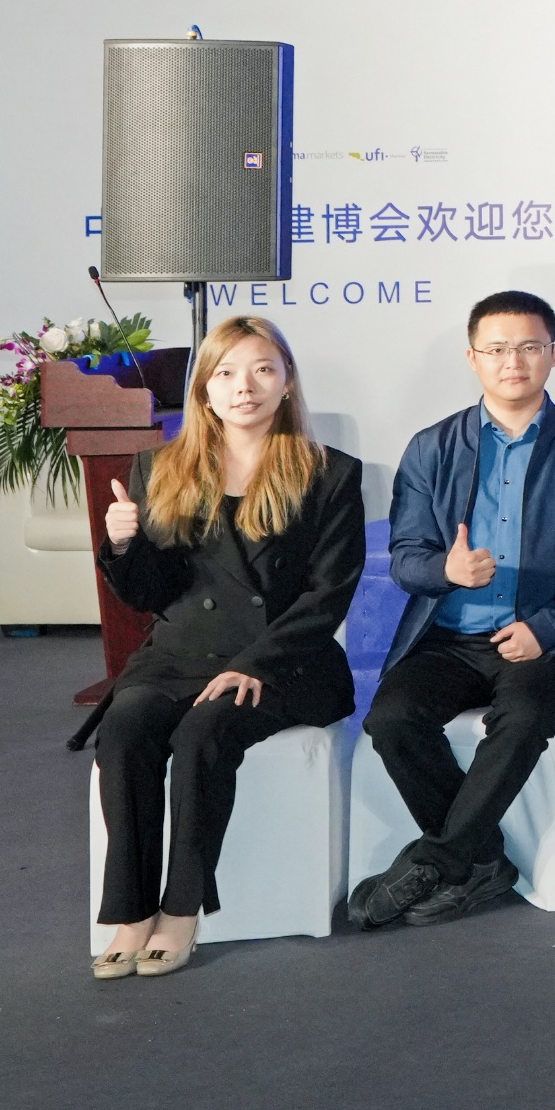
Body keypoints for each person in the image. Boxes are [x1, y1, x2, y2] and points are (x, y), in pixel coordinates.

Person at [84, 318, 362, 979]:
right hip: (178, 653)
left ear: (287, 382)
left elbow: (328, 596)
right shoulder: (160, 467)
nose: (245, 387)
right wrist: (123, 542)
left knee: (204, 732)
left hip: (285, 660)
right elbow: (150, 594)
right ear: (204, 390)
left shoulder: (328, 472)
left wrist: (253, 665)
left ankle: (182, 910)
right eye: (227, 373)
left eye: (263, 369)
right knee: (124, 729)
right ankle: (129, 913)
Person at [357, 290, 555, 930]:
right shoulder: (432, 446)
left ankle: (437, 860)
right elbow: (405, 558)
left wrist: (547, 627)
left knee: (525, 714)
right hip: (448, 639)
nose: (514, 361)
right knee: (392, 719)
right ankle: (479, 859)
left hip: (549, 642)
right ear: (473, 358)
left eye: (529, 347)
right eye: (497, 349)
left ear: (554, 354)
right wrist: (446, 571)